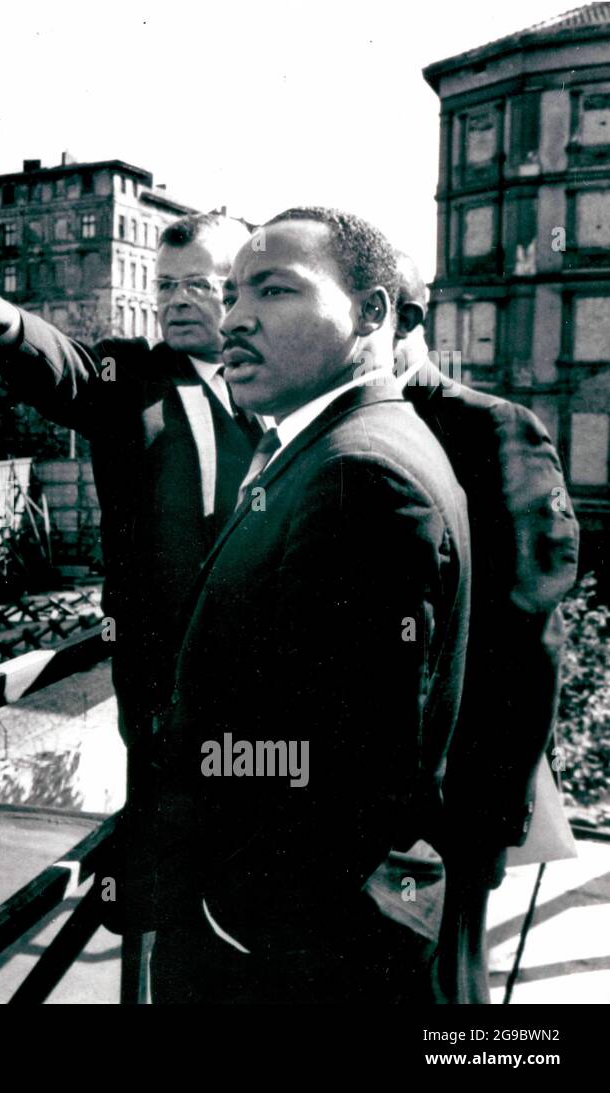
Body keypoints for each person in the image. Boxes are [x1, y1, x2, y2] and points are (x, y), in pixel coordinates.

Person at [0, 214, 259, 957]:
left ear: (241, 290)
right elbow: (63, 371)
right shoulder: (130, 376)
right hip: (167, 674)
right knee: (177, 884)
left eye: (200, 284)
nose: (179, 300)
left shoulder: (270, 387)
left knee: (250, 860)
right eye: (167, 286)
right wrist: (2, 321)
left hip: (260, 672)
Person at [149, 208, 471, 1003]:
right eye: (232, 295)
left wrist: (226, 916)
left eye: (275, 290)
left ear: (372, 312)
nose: (234, 319)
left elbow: (345, 778)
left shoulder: (355, 474)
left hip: (280, 959)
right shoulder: (339, 444)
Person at [392, 253, 579, 1004]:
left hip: (451, 809)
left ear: (399, 316)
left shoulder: (491, 428)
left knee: (446, 997)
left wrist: (493, 818)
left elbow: (531, 641)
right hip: (355, 807)